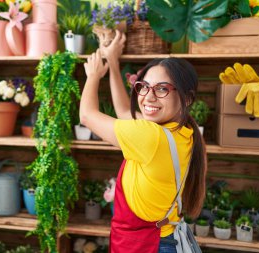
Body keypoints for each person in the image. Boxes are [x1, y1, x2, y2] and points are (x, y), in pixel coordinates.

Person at [79, 31, 207, 253]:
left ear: (186, 98)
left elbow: (87, 116)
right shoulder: (183, 131)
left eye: (162, 88)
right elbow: (122, 111)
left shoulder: (152, 136)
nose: (148, 97)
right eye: (144, 86)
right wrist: (113, 61)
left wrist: (93, 75)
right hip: (165, 238)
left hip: (151, 244)